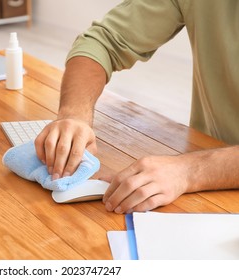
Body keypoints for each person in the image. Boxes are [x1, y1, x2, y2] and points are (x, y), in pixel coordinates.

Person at [34, 0, 239, 214]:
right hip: (202, 176)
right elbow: (102, 42)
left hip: (201, 176)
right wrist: (75, 115)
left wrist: (189, 171)